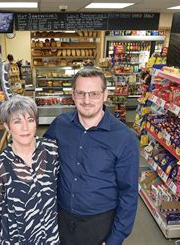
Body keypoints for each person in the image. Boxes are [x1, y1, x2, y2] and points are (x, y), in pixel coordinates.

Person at [44, 67, 139, 245]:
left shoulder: (125, 138)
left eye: (94, 93)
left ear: (105, 95)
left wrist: (114, 239)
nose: (86, 100)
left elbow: (129, 193)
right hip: (60, 220)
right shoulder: (59, 126)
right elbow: (40, 160)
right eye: (80, 93)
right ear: (73, 95)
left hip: (99, 226)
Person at [0, 95, 60, 244]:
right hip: (18, 240)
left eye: (30, 120)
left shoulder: (52, 151)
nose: (25, 127)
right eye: (17, 121)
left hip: (51, 238)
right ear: (7, 127)